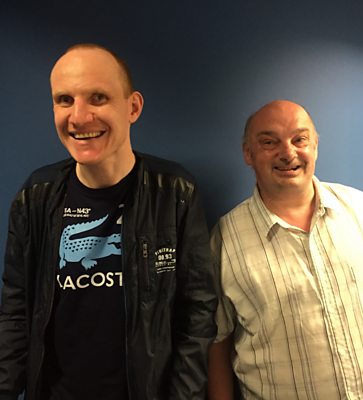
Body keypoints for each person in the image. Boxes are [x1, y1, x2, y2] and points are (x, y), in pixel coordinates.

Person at [0, 43, 217, 400]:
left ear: (133, 107)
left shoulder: (175, 192)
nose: (79, 117)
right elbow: (15, 313)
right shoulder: (35, 196)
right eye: (65, 100)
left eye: (98, 98)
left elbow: (197, 314)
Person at [208, 100, 363, 399]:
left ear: (315, 146)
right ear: (248, 153)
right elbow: (218, 340)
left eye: (300, 139)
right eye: (269, 142)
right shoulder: (225, 239)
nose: (288, 153)